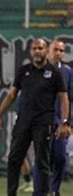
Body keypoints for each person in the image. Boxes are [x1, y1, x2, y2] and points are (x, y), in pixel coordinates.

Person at [0, 38, 71, 196]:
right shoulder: (24, 70)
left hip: (44, 122)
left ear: (45, 50)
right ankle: (11, 193)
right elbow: (11, 95)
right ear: (30, 51)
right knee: (14, 159)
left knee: (42, 161)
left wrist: (64, 122)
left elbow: (64, 98)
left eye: (41, 48)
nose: (37, 51)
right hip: (23, 120)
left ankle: (42, 193)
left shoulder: (55, 73)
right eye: (34, 48)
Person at [32, 38, 73, 196]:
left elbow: (70, 98)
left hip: (60, 122)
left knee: (60, 157)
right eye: (55, 50)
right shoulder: (38, 69)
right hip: (41, 121)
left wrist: (68, 122)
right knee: (42, 159)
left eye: (61, 50)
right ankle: (40, 191)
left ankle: (54, 189)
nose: (58, 53)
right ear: (48, 51)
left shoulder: (68, 72)